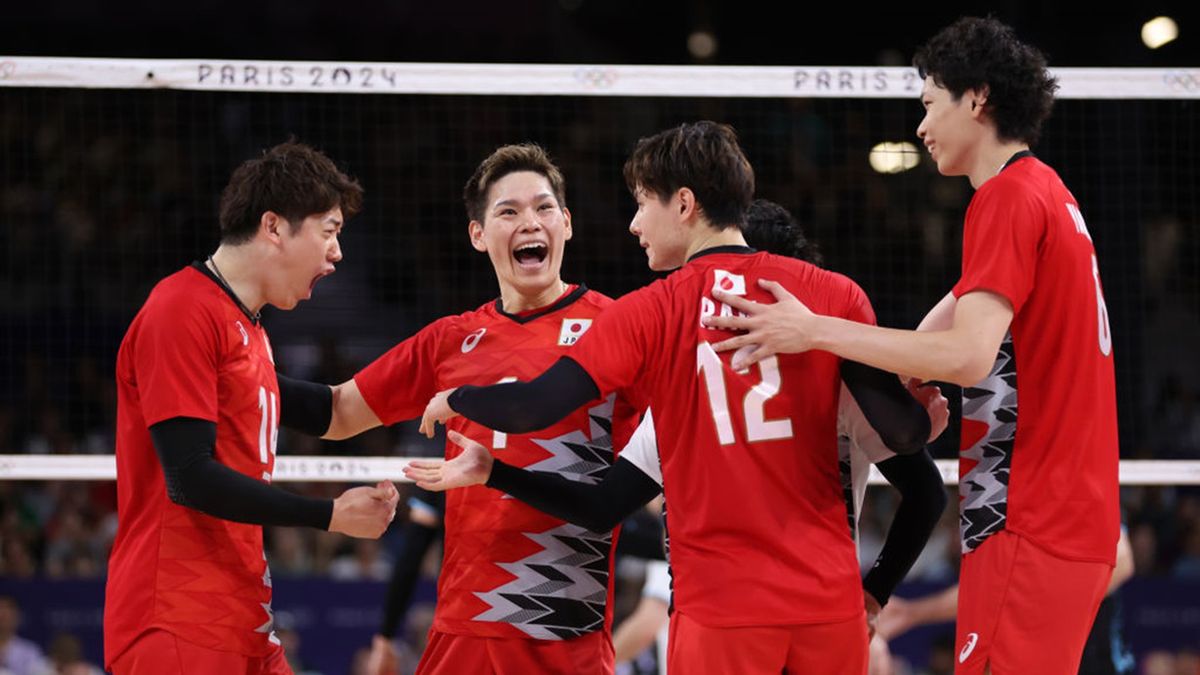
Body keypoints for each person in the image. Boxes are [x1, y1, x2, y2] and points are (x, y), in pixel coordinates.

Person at [420, 122, 932, 674]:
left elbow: (533, 408)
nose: (635, 224)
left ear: (684, 204)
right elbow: (907, 437)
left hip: (721, 609)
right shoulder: (835, 293)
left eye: (642, 204)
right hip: (829, 609)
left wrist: (459, 397)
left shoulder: (648, 311)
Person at [702, 17, 1120, 674]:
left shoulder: (1006, 198)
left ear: (975, 98)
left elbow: (969, 355)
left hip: (1031, 514)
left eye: (928, 104)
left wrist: (812, 329)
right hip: (1068, 515)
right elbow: (961, 305)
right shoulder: (1049, 191)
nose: (920, 126)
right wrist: (904, 382)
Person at [322, 143, 640, 675]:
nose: (529, 222)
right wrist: (243, 364)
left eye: (543, 208)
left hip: (565, 629)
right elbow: (337, 413)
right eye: (508, 212)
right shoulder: (450, 340)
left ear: (566, 224)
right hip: (464, 631)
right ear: (478, 234)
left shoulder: (618, 328)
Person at [104, 141, 400, 675]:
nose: (337, 254)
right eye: (329, 231)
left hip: (242, 617)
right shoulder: (182, 309)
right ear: (273, 226)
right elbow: (190, 477)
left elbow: (331, 410)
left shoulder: (249, 329)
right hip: (176, 618)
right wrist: (330, 515)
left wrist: (446, 375)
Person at [874, 529, 1136, 675]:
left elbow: (1123, 560)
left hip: (1101, 666)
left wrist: (912, 613)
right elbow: (999, 590)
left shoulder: (1076, 485)